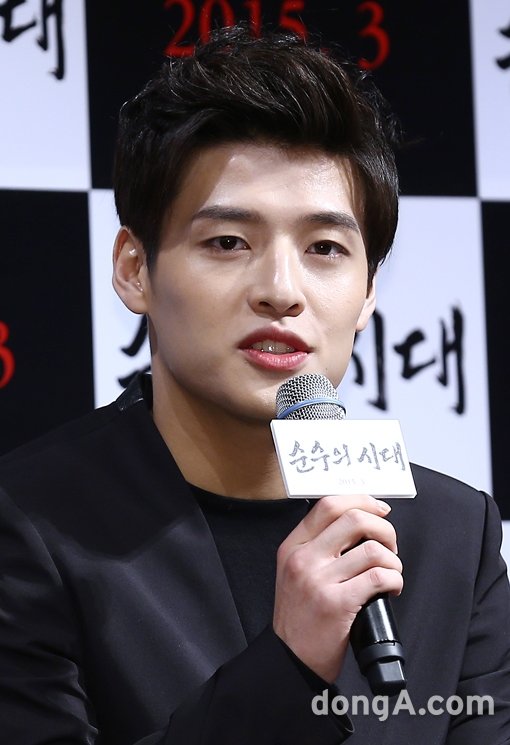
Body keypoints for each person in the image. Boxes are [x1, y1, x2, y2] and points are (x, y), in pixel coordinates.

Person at [0, 23, 509, 745]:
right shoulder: (29, 521)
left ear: (368, 292)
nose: (281, 290)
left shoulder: (452, 533)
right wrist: (288, 665)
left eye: (324, 248)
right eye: (229, 242)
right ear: (134, 269)